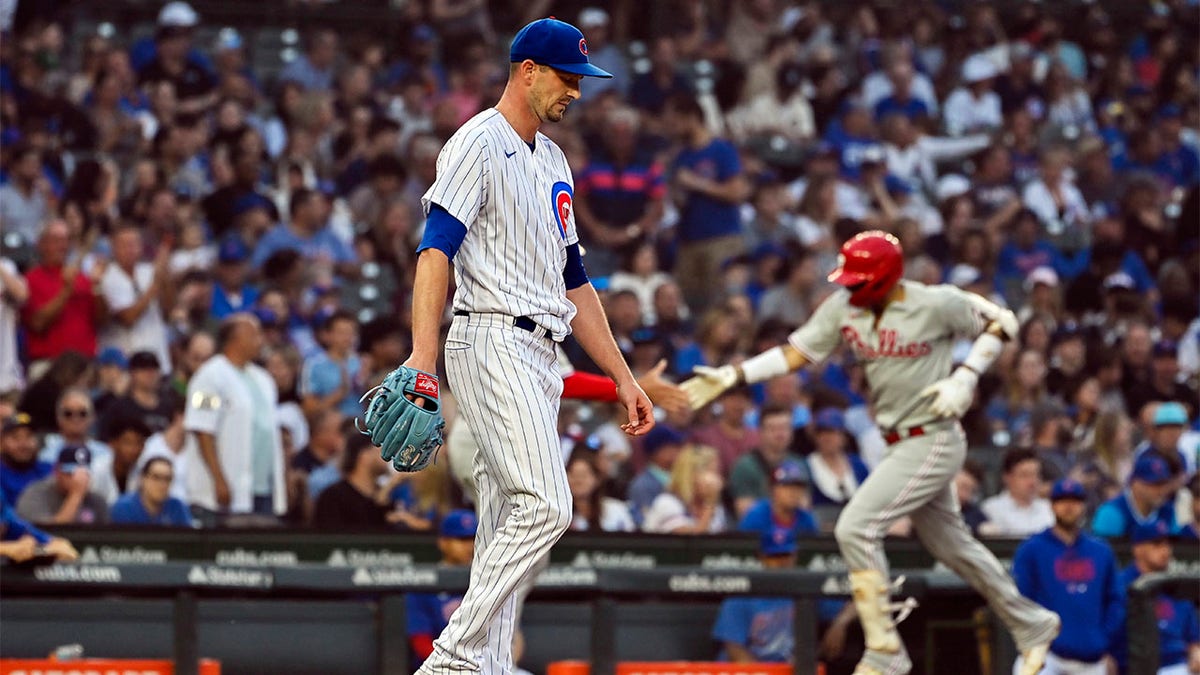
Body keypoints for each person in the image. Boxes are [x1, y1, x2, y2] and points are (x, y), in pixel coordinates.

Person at [682, 231, 1060, 675]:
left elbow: (1005, 322)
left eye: (860, 280)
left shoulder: (935, 302)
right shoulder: (844, 308)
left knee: (855, 527)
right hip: (897, 442)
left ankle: (885, 649)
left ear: (885, 277)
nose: (851, 288)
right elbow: (795, 353)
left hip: (934, 435)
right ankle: (1032, 622)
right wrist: (733, 375)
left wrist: (966, 376)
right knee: (955, 547)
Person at [402, 19, 652, 673]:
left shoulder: (554, 159)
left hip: (543, 350)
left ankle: (482, 664)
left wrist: (623, 376)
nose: (577, 91)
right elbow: (434, 252)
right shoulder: (477, 143)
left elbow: (576, 282)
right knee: (548, 504)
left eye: (581, 80)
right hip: (490, 334)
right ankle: (453, 654)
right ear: (528, 71)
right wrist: (421, 358)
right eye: (568, 77)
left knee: (509, 515)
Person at [1012, 479, 1124, 675]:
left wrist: (1103, 641)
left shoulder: (1100, 551)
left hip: (1091, 658)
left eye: (1075, 501)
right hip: (1047, 656)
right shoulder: (1032, 549)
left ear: (1083, 506)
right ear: (1052, 505)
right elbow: (1021, 601)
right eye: (1062, 501)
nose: (1069, 507)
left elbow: (1115, 601)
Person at [184, 314, 286, 517]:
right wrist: (219, 479)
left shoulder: (263, 379)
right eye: (254, 335)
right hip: (224, 486)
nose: (260, 341)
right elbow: (202, 429)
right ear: (233, 340)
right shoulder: (208, 377)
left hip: (262, 486)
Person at [663, 92, 751, 312]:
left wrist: (696, 183)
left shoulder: (720, 149)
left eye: (675, 122)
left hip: (721, 238)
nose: (672, 128)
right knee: (692, 304)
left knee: (722, 304)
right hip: (689, 240)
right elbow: (679, 202)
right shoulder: (680, 156)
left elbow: (737, 192)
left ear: (691, 117)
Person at [1116, 521, 1200, 675]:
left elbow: (1193, 637)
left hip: (1177, 665)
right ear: (1138, 549)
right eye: (1157, 544)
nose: (1165, 550)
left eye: (1168, 544)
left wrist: (1196, 652)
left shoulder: (1175, 585)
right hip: (1134, 667)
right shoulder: (1121, 585)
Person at [407, 509, 478, 671]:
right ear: (443, 542)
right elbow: (420, 641)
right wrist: (457, 668)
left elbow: (512, 637)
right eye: (461, 539)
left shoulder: (488, 581)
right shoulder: (423, 583)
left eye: (473, 539)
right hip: (437, 669)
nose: (469, 546)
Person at [97, 226, 173, 371]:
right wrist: (155, 284)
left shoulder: (148, 271)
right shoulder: (107, 277)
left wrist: (166, 276)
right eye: (125, 245)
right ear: (113, 248)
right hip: (125, 363)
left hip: (157, 357)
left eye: (134, 244)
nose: (130, 249)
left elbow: (168, 310)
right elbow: (129, 318)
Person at [729, 404, 805, 518]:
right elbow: (744, 512)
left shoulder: (799, 464)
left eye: (785, 427)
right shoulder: (745, 466)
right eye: (773, 429)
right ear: (760, 432)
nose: (780, 434)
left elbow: (804, 506)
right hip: (756, 533)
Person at [1092, 451, 1179, 538]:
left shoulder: (1169, 512)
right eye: (1155, 484)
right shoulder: (1112, 512)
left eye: (1164, 484)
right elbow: (1102, 550)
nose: (1162, 490)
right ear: (1135, 484)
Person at [642, 444, 727, 534]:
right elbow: (692, 542)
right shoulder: (667, 503)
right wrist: (710, 503)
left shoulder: (714, 506)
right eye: (712, 472)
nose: (717, 480)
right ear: (692, 475)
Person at [16, 446, 109, 525]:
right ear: (57, 470)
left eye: (84, 474)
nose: (78, 480)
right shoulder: (35, 495)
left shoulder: (97, 501)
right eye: (71, 473)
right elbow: (51, 535)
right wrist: (76, 495)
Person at [312, 436, 391, 530]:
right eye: (381, 448)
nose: (389, 456)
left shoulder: (384, 496)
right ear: (364, 455)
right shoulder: (334, 497)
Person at [979, 447, 1055, 538]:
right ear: (1007, 477)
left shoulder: (1049, 509)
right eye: (1025, 475)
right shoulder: (991, 509)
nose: (1032, 482)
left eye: (1036, 475)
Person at [806, 407, 871, 509]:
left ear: (843, 436)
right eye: (821, 433)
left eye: (832, 432)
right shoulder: (807, 465)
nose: (827, 438)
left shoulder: (857, 464)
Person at [627, 424, 686, 525]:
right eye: (673, 447)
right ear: (658, 451)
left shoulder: (677, 478)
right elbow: (644, 523)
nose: (678, 452)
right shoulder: (643, 485)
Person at [110, 457, 193, 527]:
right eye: (156, 477)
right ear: (142, 479)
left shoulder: (177, 507)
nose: (162, 484)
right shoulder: (123, 507)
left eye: (167, 479)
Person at [0, 500, 78, 563]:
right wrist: (6, 549)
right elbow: (10, 549)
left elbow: (66, 550)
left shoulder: (13, 525)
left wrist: (36, 551)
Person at [0, 413, 51, 509]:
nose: (23, 444)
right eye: (15, 438)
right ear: (2, 442)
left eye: (29, 436)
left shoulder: (49, 470)